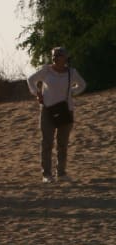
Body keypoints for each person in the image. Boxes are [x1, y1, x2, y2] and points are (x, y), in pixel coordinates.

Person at [26, 47, 87, 183]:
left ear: (65, 57)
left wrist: (72, 92)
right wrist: (38, 93)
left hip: (66, 110)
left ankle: (61, 173)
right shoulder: (46, 70)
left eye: (59, 55)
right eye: (54, 55)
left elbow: (82, 85)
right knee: (47, 142)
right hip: (48, 110)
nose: (55, 57)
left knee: (62, 143)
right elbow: (30, 80)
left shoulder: (71, 72)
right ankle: (47, 174)